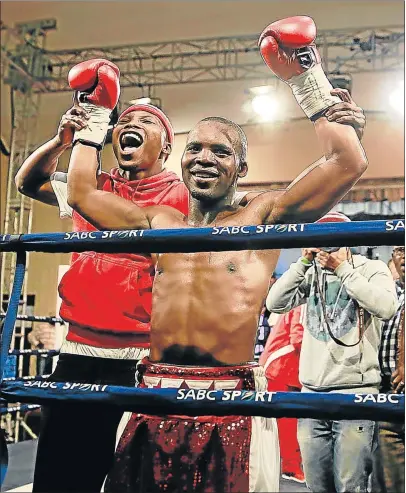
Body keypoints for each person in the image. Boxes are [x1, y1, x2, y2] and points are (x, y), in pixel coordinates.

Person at [14, 56, 364, 491]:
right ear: (179, 160)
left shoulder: (261, 215)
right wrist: (94, 119)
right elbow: (83, 193)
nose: (204, 159)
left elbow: (346, 163)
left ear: (242, 168)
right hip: (153, 389)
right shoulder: (160, 222)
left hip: (228, 394)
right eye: (195, 149)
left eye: (220, 151)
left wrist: (307, 78)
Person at [15, 59, 191, 493]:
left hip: (139, 358)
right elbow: (26, 182)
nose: (129, 124)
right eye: (124, 119)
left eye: (145, 121)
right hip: (78, 349)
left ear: (165, 148)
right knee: (61, 475)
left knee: (136, 479)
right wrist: (62, 141)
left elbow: (90, 200)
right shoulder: (96, 183)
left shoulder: (178, 194)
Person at [266, 212, 398, 493]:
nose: (328, 246)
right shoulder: (310, 272)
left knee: (352, 486)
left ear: (349, 241)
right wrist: (302, 262)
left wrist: (342, 270)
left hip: (356, 395)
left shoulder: (371, 269)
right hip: (312, 396)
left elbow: (387, 307)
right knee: (316, 485)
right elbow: (274, 303)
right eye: (322, 240)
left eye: (334, 240)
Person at [259, 305, 305, 484]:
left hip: (286, 368)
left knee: (288, 421)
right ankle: (291, 468)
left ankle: (291, 465)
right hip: (280, 367)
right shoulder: (304, 303)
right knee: (287, 421)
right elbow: (298, 337)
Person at [378, 245, 405, 493]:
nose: (405, 254)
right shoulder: (386, 296)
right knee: (388, 484)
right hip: (386, 394)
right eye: (400, 249)